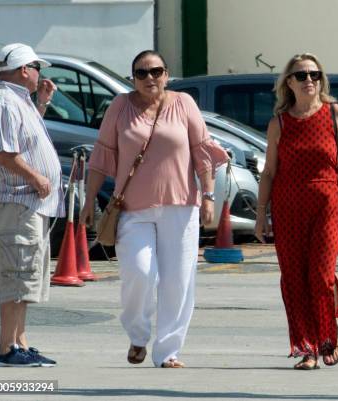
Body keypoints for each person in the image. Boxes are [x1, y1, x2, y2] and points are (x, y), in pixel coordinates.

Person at [79, 50, 228, 368]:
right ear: (132, 77)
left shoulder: (184, 103)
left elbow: (202, 153)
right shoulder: (119, 107)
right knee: (139, 272)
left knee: (178, 281)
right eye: (142, 73)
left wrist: (209, 196)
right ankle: (137, 335)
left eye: (156, 71)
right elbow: (101, 157)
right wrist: (89, 200)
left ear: (167, 74)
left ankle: (168, 352)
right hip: (132, 209)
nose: (150, 78)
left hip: (181, 206)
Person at [254, 53, 338, 370]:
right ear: (289, 82)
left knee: (321, 276)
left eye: (315, 74)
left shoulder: (334, 114)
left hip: (326, 204)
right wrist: (262, 214)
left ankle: (328, 337)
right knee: (294, 279)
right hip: (287, 208)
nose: (309, 80)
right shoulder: (280, 123)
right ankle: (307, 348)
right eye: (301, 75)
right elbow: (269, 172)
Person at [0, 43, 62, 367]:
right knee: (16, 274)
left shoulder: (18, 101)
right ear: (24, 69)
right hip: (17, 200)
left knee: (27, 275)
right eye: (36, 67)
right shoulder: (3, 102)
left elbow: (26, 141)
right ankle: (5, 349)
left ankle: (19, 341)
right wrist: (36, 179)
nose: (40, 73)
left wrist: (41, 103)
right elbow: (4, 152)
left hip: (28, 203)